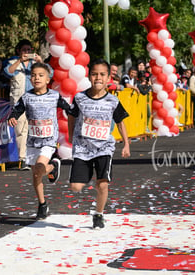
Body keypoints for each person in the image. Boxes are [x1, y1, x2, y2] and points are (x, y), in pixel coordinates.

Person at [68, 58, 130, 229]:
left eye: (102, 74)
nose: (98, 78)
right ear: (89, 76)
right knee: (76, 187)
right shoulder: (80, 98)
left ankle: (99, 214)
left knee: (102, 184)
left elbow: (120, 122)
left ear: (109, 78)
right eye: (94, 74)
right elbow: (71, 116)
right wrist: (71, 135)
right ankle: (86, 172)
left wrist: (126, 144)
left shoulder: (113, 100)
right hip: (82, 147)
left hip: (104, 147)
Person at [7, 63, 72, 220]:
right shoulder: (26, 97)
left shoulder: (54, 96)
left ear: (48, 79)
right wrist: (12, 118)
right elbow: (16, 110)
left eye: (41, 75)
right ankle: (42, 204)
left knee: (40, 168)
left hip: (49, 140)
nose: (37, 78)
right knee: (36, 175)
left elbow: (70, 109)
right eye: (34, 75)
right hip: (33, 141)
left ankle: (51, 166)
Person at [4, 39, 45, 170]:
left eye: (29, 50)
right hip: (18, 102)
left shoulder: (35, 64)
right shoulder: (13, 62)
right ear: (19, 51)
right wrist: (19, 61)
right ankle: (23, 159)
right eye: (24, 50)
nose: (27, 53)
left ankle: (34, 158)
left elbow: (50, 73)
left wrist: (41, 62)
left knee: (34, 130)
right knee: (21, 130)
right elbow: (8, 72)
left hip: (35, 100)